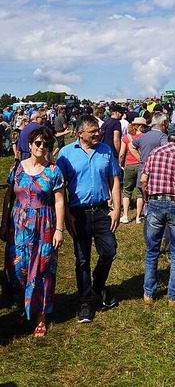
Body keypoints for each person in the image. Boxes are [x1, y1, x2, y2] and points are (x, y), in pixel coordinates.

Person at [56, 115, 122, 323]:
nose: (98, 133)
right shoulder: (66, 154)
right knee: (82, 259)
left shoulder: (105, 150)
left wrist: (117, 209)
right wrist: (67, 216)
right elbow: (60, 188)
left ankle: (98, 285)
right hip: (79, 214)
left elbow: (115, 180)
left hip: (102, 211)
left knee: (109, 250)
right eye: (93, 131)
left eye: (98, 130)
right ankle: (85, 301)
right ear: (80, 133)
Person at [0, 127, 65, 337]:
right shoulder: (17, 168)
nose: (42, 147)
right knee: (18, 269)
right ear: (29, 145)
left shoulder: (54, 171)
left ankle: (41, 316)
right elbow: (9, 197)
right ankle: (25, 307)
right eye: (38, 143)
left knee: (43, 271)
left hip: (44, 225)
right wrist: (3, 223)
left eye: (46, 144)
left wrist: (59, 229)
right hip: (18, 225)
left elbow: (59, 201)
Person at [140, 122, 175, 306]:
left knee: (152, 250)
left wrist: (147, 198)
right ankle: (173, 295)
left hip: (155, 202)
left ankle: (149, 293)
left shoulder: (155, 153)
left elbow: (144, 180)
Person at [130, 112, 168, 192]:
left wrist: (140, 158)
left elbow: (132, 146)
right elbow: (166, 150)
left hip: (142, 170)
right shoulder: (163, 137)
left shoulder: (144, 136)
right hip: (156, 173)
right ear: (163, 123)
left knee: (142, 197)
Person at [119, 117, 147, 224]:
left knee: (127, 191)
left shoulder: (126, 137)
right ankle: (138, 217)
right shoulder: (145, 137)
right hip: (141, 165)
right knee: (140, 192)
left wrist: (121, 164)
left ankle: (125, 215)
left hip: (129, 165)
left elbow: (122, 154)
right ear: (141, 126)